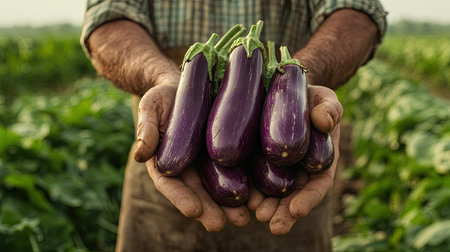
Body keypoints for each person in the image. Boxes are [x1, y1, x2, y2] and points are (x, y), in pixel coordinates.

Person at [81, 1, 387, 251]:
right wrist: (166, 78)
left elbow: (357, 11)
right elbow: (106, 18)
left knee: (275, 179)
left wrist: (299, 77)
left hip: (292, 185)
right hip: (166, 160)